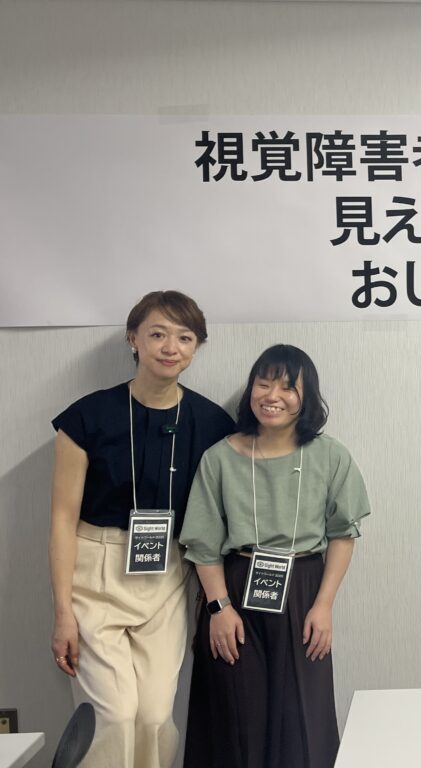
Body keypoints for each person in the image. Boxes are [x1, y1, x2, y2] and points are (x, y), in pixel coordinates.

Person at [49, 290, 236, 768]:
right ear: (133, 339)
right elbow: (63, 519)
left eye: (185, 337)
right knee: (113, 715)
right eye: (157, 334)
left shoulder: (212, 424)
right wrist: (63, 612)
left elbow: (219, 515)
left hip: (168, 575)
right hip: (95, 572)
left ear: (197, 347)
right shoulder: (87, 418)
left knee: (154, 716)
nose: (170, 347)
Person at [180, 344, 370, 768]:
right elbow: (203, 544)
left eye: (287, 387)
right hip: (234, 589)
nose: (273, 396)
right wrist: (218, 608)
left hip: (303, 588)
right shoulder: (219, 458)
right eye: (263, 384)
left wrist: (324, 605)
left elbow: (343, 534)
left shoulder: (329, 455)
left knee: (301, 720)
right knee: (237, 718)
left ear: (307, 396)